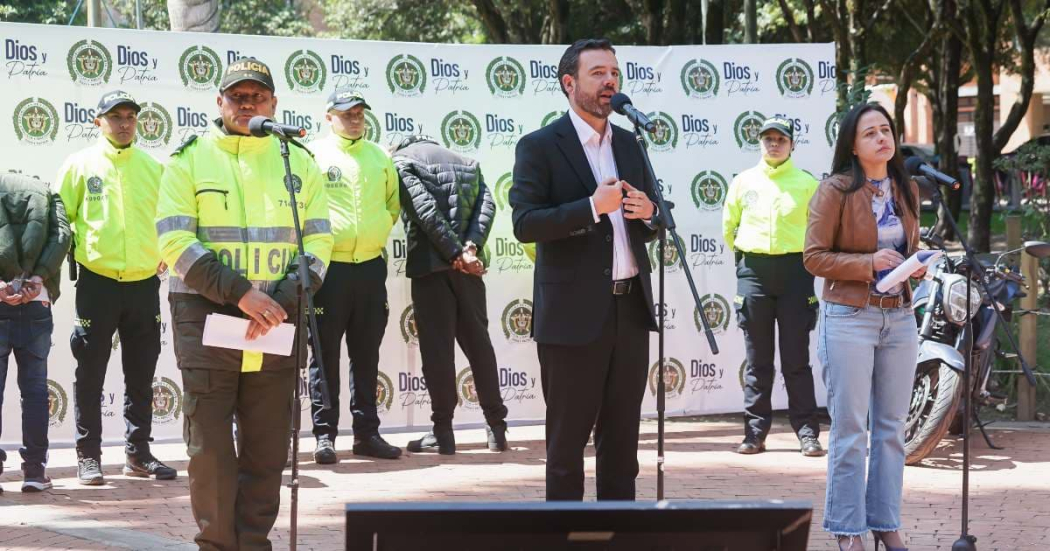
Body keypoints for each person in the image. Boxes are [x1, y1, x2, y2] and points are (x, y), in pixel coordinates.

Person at [155, 57, 333, 550]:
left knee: (267, 447)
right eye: (237, 96)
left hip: (276, 316)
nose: (247, 103)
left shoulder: (298, 160)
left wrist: (279, 298)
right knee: (210, 450)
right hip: (207, 315)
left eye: (257, 96)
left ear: (273, 103)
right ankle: (217, 545)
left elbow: (319, 243)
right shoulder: (188, 158)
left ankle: (254, 543)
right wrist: (241, 293)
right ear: (219, 102)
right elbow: (174, 241)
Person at [510, 38, 659, 501]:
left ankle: (620, 533)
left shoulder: (631, 144)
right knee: (566, 447)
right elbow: (525, 223)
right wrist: (591, 208)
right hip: (572, 319)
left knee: (622, 447)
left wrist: (649, 210)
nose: (610, 80)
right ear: (569, 82)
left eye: (614, 72)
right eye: (598, 72)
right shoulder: (539, 146)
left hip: (629, 312)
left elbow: (656, 217)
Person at [804, 103, 923, 551]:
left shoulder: (906, 186)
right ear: (852, 145)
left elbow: (906, 244)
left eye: (886, 130)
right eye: (870, 132)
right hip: (850, 316)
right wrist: (867, 263)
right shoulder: (834, 190)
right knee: (851, 431)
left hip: (900, 316)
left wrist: (915, 266)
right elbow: (814, 257)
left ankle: (886, 523)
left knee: (892, 429)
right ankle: (848, 530)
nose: (881, 138)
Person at [56, 90, 176, 485]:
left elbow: (169, 218)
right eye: (115, 116)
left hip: (144, 284)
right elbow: (62, 221)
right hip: (98, 283)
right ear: (98, 121)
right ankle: (88, 456)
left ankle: (138, 454)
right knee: (90, 371)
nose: (124, 123)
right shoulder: (79, 165)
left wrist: (166, 253)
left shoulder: (153, 167)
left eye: (130, 116)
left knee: (141, 372)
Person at [391, 135, 508, 455]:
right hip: (467, 268)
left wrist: (455, 252)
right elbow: (488, 205)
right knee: (479, 345)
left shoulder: (402, 162)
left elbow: (423, 209)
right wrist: (469, 249)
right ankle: (497, 429)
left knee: (438, 353)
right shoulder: (467, 162)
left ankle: (442, 432)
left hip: (432, 268)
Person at [307, 89, 402, 463]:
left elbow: (391, 206)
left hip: (369, 269)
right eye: (347, 113)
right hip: (329, 271)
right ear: (329, 116)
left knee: (366, 355)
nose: (355, 118)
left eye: (360, 112)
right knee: (324, 355)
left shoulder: (379, 156)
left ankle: (366, 433)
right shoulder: (312, 155)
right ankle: (324, 435)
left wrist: (371, 235)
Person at [722, 116, 824, 457]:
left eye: (781, 139)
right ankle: (754, 434)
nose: (774, 144)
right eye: (768, 138)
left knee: (796, 361)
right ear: (760, 143)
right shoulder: (742, 182)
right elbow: (729, 227)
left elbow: (819, 231)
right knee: (757, 362)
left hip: (796, 273)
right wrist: (746, 264)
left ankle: (808, 433)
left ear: (792, 144)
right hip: (754, 272)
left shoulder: (808, 183)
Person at [0, 173, 71, 493]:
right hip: (37, 302)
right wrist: (39, 277)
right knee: (35, 391)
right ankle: (34, 470)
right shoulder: (45, 191)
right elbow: (62, 235)